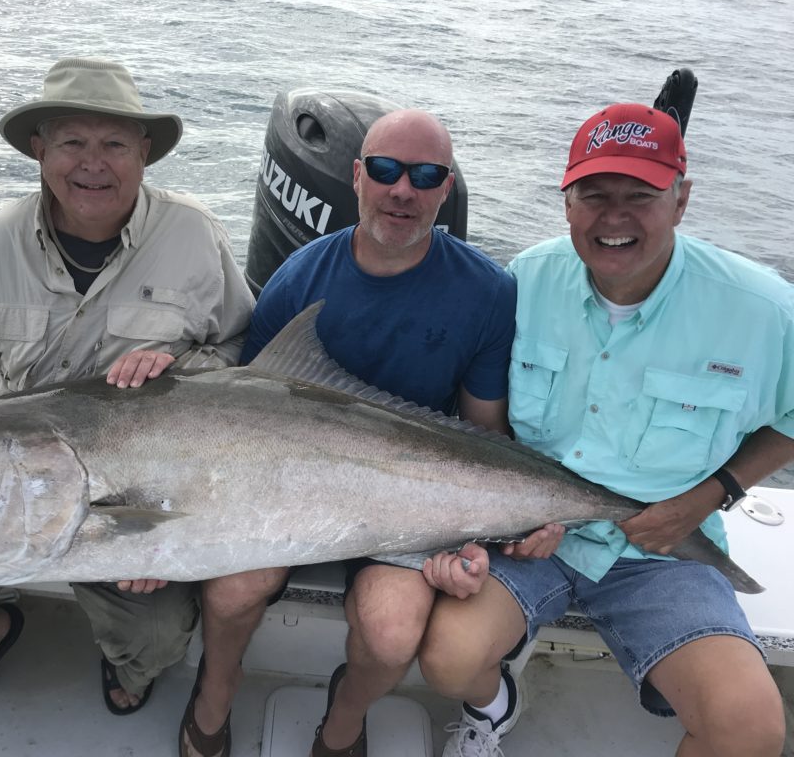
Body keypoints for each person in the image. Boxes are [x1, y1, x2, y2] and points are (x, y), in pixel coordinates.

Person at [176, 108, 562, 757]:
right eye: (384, 170)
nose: (402, 189)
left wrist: (486, 532)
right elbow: (244, 415)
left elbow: (482, 431)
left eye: (424, 175)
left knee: (390, 633)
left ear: (446, 188)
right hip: (287, 486)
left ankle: (343, 723)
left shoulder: (489, 292)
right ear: (357, 177)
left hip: (408, 499)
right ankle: (215, 692)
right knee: (234, 586)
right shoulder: (299, 280)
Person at [0, 57, 254, 722]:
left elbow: (238, 350)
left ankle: (125, 661)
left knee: (156, 634)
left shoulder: (193, 236)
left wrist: (179, 367)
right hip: (15, 477)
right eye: (73, 141)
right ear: (39, 149)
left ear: (144, 153)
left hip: (134, 487)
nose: (93, 163)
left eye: (113, 143)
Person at [418, 103, 794, 757]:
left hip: (662, 551)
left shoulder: (762, 309)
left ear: (681, 200)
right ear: (567, 203)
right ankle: (491, 710)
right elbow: (480, 417)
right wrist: (504, 520)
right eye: (594, 196)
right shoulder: (522, 282)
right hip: (532, 538)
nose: (614, 217)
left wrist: (709, 497)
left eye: (640, 197)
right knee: (449, 659)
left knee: (751, 730)